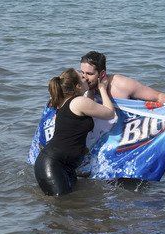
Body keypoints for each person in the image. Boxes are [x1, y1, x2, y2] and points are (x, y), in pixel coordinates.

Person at [34, 68, 115, 196]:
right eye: (82, 77)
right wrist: (103, 89)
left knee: (70, 207)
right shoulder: (78, 102)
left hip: (63, 165)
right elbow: (110, 113)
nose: (86, 77)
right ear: (77, 86)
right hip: (53, 164)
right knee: (61, 206)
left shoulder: (67, 101)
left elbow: (89, 102)